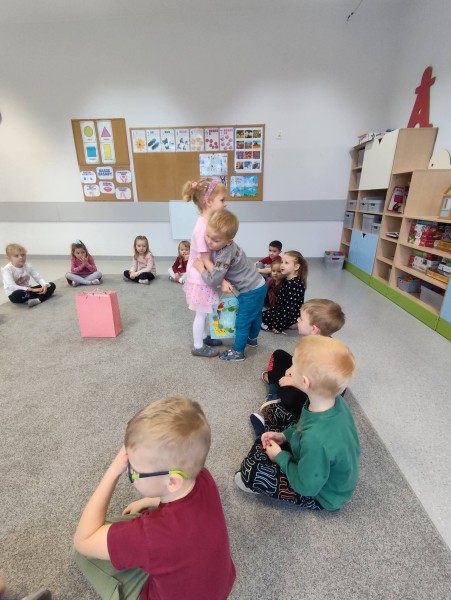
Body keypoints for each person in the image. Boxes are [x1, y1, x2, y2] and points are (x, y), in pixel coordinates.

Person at [73, 396, 236, 600]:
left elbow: (83, 540)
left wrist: (113, 471)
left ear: (172, 481)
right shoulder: (202, 476)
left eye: (133, 470)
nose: (127, 469)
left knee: (82, 554)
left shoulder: (150, 534)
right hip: (217, 586)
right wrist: (149, 501)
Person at [236, 336, 360, 512]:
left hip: (321, 494)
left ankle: (261, 440)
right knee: (274, 411)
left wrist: (279, 457)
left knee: (250, 473)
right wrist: (283, 436)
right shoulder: (332, 402)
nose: (288, 371)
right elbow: (304, 423)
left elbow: (306, 487)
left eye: (293, 365)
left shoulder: (315, 440)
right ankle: (267, 439)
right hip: (313, 455)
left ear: (305, 382)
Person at [193, 210, 267, 361]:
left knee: (242, 321)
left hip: (250, 291)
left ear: (228, 241)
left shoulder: (224, 254)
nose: (209, 242)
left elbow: (214, 280)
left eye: (215, 240)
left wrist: (201, 268)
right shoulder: (230, 246)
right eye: (208, 236)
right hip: (260, 284)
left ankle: (238, 351)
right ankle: (252, 339)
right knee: (255, 315)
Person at [182, 177, 227, 358]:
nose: (225, 204)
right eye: (222, 200)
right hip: (200, 275)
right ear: (209, 202)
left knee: (207, 308)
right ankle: (198, 345)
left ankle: (204, 336)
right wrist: (221, 279)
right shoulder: (201, 228)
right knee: (201, 313)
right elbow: (206, 260)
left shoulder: (207, 223)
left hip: (204, 273)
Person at [261, 250, 307, 334]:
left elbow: (290, 309)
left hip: (289, 316)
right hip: (281, 310)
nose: (282, 265)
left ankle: (292, 324)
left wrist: (279, 326)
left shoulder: (295, 285)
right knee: (259, 316)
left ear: (296, 267)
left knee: (259, 320)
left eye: (286, 263)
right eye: (282, 262)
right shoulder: (287, 279)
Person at [2, 243, 56, 307]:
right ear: (9, 258)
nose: (21, 257)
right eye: (16, 256)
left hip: (29, 290)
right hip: (16, 293)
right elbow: (12, 286)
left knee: (51, 285)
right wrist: (32, 290)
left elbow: (38, 277)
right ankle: (44, 296)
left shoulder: (28, 266)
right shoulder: (7, 270)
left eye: (23, 255)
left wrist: (44, 285)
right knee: (17, 294)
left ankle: (38, 300)